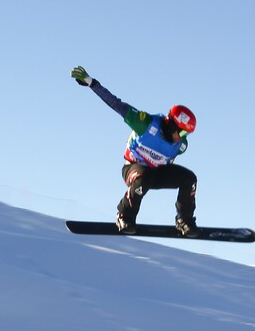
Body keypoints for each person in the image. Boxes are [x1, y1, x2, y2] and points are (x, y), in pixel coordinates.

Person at [71, 65, 199, 237]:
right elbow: (116, 104)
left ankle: (185, 220)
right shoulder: (145, 124)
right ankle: (125, 216)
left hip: (157, 173)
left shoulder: (181, 145)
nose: (183, 137)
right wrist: (92, 83)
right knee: (143, 176)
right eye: (182, 131)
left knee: (189, 179)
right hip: (133, 168)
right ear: (171, 124)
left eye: (187, 133)